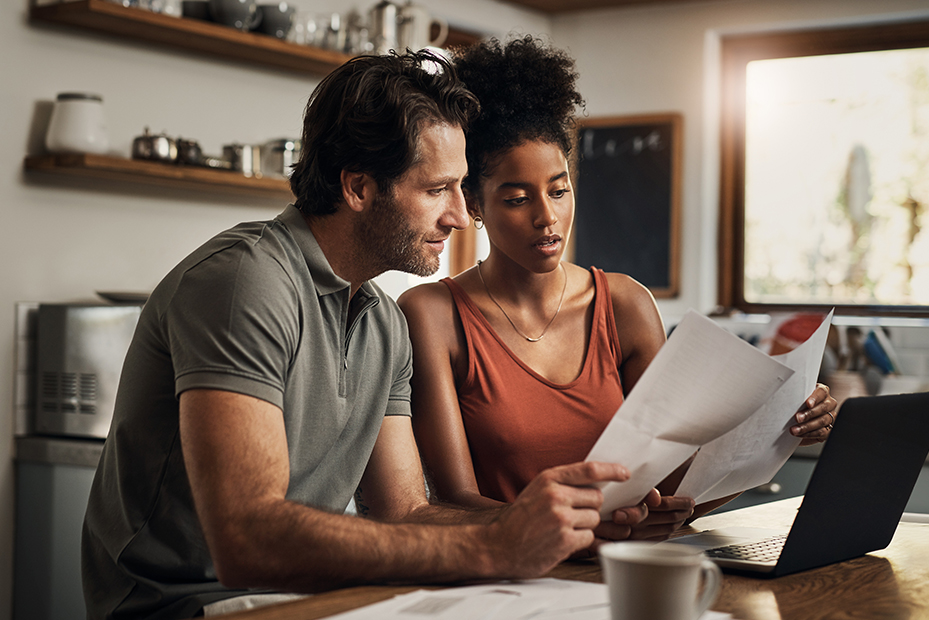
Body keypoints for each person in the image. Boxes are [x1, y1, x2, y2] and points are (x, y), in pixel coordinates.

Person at [81, 50, 639, 620]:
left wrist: (561, 524)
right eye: (436, 190)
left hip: (312, 598)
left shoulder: (382, 320)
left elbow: (404, 513)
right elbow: (247, 539)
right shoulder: (245, 282)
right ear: (358, 187)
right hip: (184, 604)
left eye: (461, 188)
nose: (458, 215)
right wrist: (495, 544)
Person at [397, 37, 838, 546]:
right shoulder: (433, 315)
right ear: (472, 202)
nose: (547, 218)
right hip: (508, 579)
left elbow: (675, 488)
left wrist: (780, 429)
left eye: (560, 191)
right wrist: (584, 530)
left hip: (625, 573)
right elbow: (454, 503)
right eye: (517, 199)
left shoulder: (625, 304)